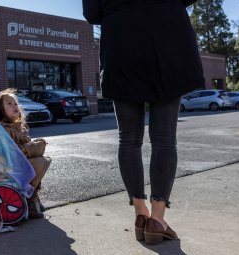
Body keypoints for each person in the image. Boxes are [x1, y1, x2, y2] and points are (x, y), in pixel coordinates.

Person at [83, 0, 204, 245]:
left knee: (128, 139)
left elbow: (92, 13)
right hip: (167, 43)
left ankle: (140, 213)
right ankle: (157, 219)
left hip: (122, 46)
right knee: (164, 138)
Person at [0, 88, 51, 219]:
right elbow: (13, 153)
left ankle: (31, 194)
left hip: (18, 165)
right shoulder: (2, 128)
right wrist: (32, 147)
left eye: (15, 103)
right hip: (5, 169)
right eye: (9, 104)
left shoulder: (20, 127)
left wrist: (31, 147)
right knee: (40, 161)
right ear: (1, 110)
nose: (14, 106)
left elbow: (24, 150)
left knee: (43, 159)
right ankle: (30, 197)